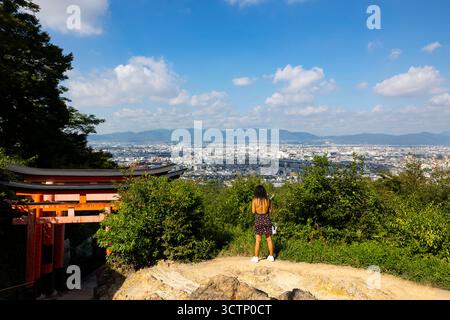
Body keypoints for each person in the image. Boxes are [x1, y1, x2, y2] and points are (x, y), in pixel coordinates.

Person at [251, 185, 275, 263]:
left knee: (258, 240)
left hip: (258, 219)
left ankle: (256, 257)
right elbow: (270, 211)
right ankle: (271, 256)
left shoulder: (254, 200)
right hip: (267, 219)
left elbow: (253, 211)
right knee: (269, 239)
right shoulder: (268, 200)